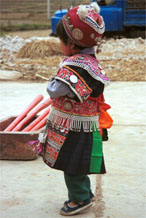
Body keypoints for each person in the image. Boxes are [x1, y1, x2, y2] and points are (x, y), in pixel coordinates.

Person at [42, 2, 113, 216]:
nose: (60, 44)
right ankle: (85, 193)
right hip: (85, 125)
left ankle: (79, 199)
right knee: (78, 165)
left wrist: (57, 74)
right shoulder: (91, 62)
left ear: (72, 44)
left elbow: (54, 90)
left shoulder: (75, 67)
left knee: (71, 165)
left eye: (61, 40)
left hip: (73, 129)